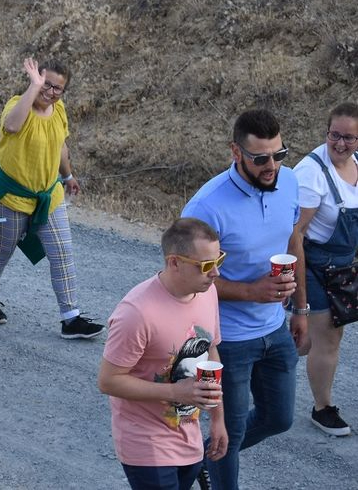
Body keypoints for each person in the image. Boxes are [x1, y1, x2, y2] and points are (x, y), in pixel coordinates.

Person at [181, 109, 306, 490]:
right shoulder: (207, 206)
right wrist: (251, 292)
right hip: (228, 340)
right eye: (261, 158)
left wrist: (301, 308)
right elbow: (188, 279)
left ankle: (200, 458)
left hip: (275, 328)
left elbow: (294, 240)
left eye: (279, 154)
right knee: (230, 432)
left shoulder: (290, 183)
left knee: (278, 418)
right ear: (236, 152)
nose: (273, 166)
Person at [0, 58, 104, 338]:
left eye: (58, 88)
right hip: (12, 196)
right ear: (36, 79)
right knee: (1, 251)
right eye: (46, 84)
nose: (50, 92)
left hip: (49, 196)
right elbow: (11, 126)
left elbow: (60, 144)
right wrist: (33, 89)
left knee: (62, 252)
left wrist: (68, 176)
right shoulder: (17, 104)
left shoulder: (58, 110)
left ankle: (71, 318)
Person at [98, 217, 228, 490]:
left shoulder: (208, 292)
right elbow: (108, 381)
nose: (215, 272)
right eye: (206, 265)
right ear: (174, 262)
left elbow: (211, 349)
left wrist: (217, 420)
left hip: (188, 437)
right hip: (146, 444)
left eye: (219, 260)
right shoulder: (137, 312)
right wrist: (175, 393)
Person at [289, 102, 358, 437]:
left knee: (304, 342)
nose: (340, 144)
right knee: (325, 338)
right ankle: (322, 408)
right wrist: (299, 292)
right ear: (326, 132)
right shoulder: (311, 174)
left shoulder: (357, 163)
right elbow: (295, 236)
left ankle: (247, 360)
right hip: (313, 265)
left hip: (344, 267)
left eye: (349, 137)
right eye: (335, 135)